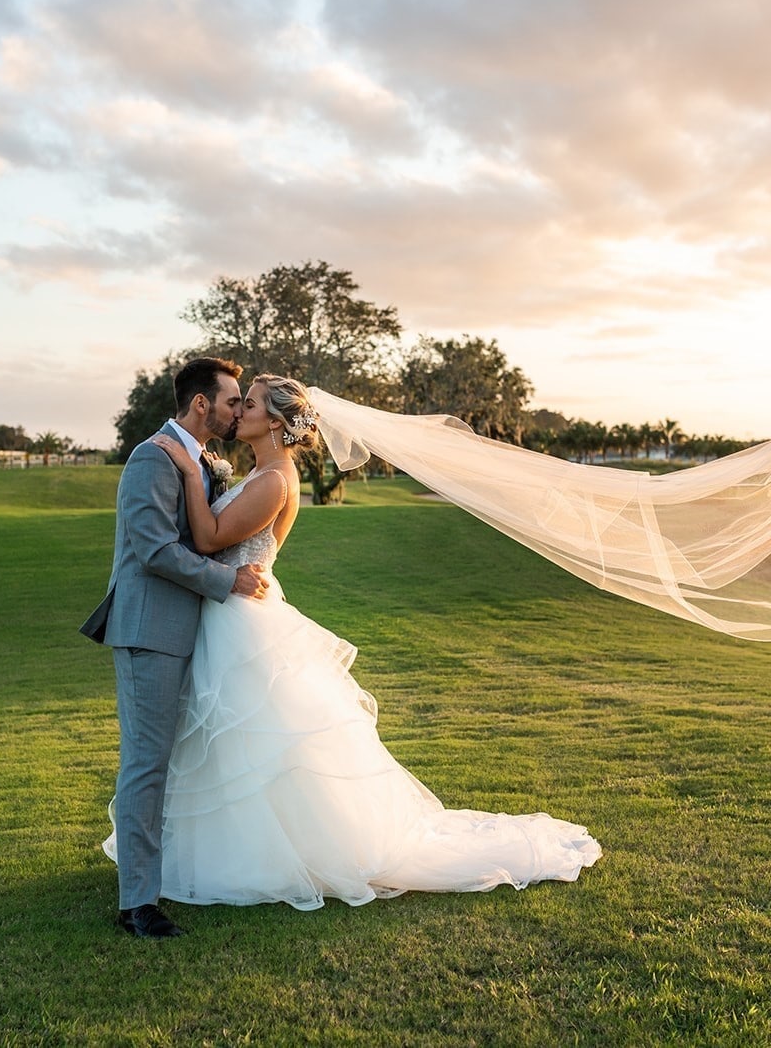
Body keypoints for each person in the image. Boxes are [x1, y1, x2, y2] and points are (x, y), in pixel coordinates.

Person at [102, 374, 601, 916]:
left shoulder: (274, 479)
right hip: (225, 614)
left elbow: (207, 540)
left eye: (248, 404)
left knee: (260, 745)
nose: (239, 411)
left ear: (275, 421)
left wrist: (190, 475)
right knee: (234, 748)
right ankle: (220, 858)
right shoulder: (254, 471)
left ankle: (274, 857)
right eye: (236, 401)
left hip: (240, 618)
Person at [80, 356, 270, 939]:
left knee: (177, 761)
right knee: (146, 763)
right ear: (200, 405)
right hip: (151, 631)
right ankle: (136, 904)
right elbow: (155, 550)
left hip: (193, 629)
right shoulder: (151, 458)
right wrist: (227, 581)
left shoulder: (203, 459)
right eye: (233, 401)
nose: (239, 410)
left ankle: (172, 872)